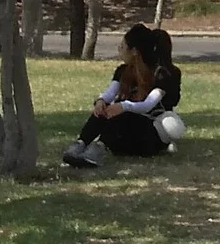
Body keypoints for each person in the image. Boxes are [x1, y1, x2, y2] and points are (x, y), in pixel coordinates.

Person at [63, 25, 180, 169]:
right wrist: (101, 101)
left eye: (122, 47)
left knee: (124, 112)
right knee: (105, 109)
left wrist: (124, 106)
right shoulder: (123, 71)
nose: (119, 50)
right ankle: (80, 144)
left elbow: (148, 104)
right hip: (124, 137)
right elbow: (110, 93)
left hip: (148, 138)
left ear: (135, 51)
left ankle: (98, 149)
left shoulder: (160, 75)